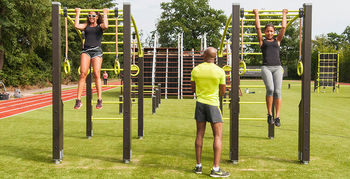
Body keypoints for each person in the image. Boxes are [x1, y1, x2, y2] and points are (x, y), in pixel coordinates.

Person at [191, 47, 230, 177]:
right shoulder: (220, 71)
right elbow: (223, 92)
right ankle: (215, 169)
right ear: (215, 57)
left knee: (199, 134)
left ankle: (198, 166)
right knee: (218, 136)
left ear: (204, 55)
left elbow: (193, 89)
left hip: (200, 104)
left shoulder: (196, 70)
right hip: (213, 104)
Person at [253, 9, 288, 127]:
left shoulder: (277, 41)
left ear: (274, 32)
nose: (269, 33)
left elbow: (283, 28)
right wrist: (256, 14)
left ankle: (277, 117)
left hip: (277, 67)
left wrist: (284, 14)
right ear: (265, 32)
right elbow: (257, 28)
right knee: (271, 89)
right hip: (266, 68)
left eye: (271, 31)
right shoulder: (262, 42)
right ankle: (269, 114)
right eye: (267, 31)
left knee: (278, 91)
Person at [73, 8, 109, 109]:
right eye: (89, 16)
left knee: (96, 73)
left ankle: (99, 99)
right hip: (86, 51)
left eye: (93, 16)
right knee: (83, 73)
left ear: (97, 17)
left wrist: (105, 14)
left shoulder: (100, 26)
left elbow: (106, 25)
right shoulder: (86, 26)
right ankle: (78, 100)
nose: (91, 17)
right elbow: (76, 25)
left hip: (97, 51)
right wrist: (78, 13)